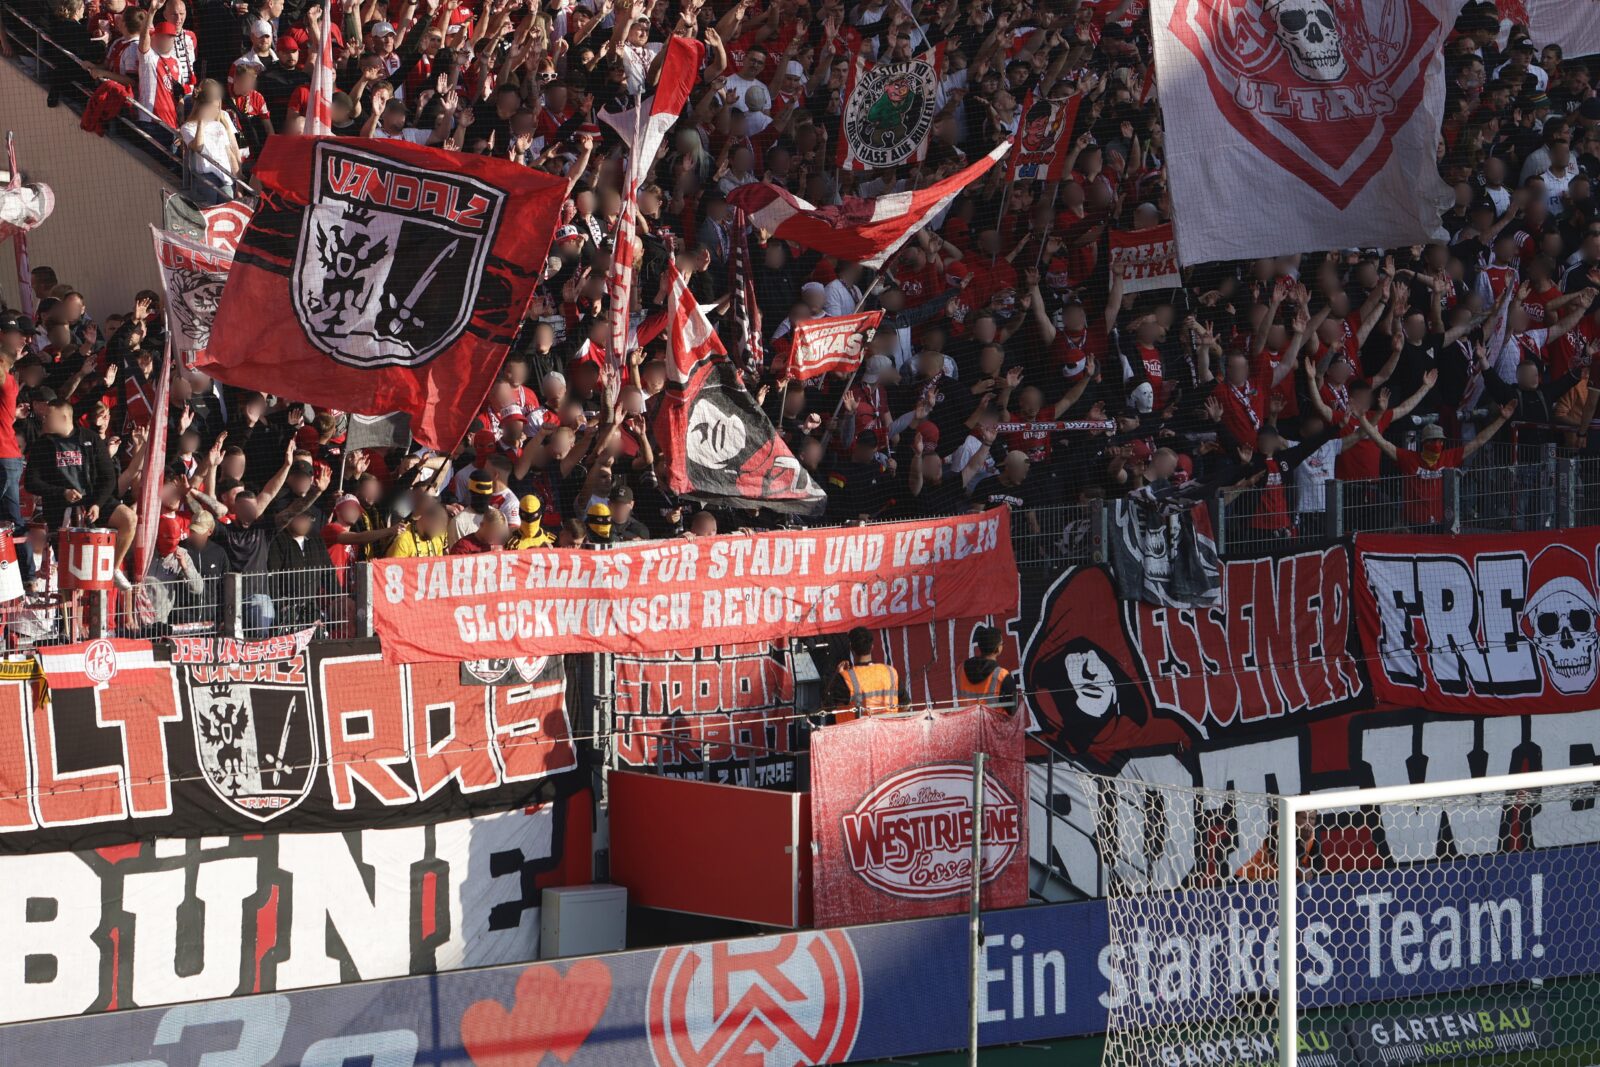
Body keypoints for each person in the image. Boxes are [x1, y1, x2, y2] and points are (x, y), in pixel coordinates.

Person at [823, 626, 911, 723]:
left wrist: (837, 674)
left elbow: (827, 707)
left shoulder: (846, 678)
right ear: (872, 646)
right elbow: (906, 705)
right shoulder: (890, 672)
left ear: (851, 647)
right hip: (887, 733)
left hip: (857, 735)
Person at [957, 625, 1017, 709]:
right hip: (995, 722)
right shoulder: (1002, 676)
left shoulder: (961, 668)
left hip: (967, 720)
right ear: (998, 648)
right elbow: (1012, 709)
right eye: (1002, 643)